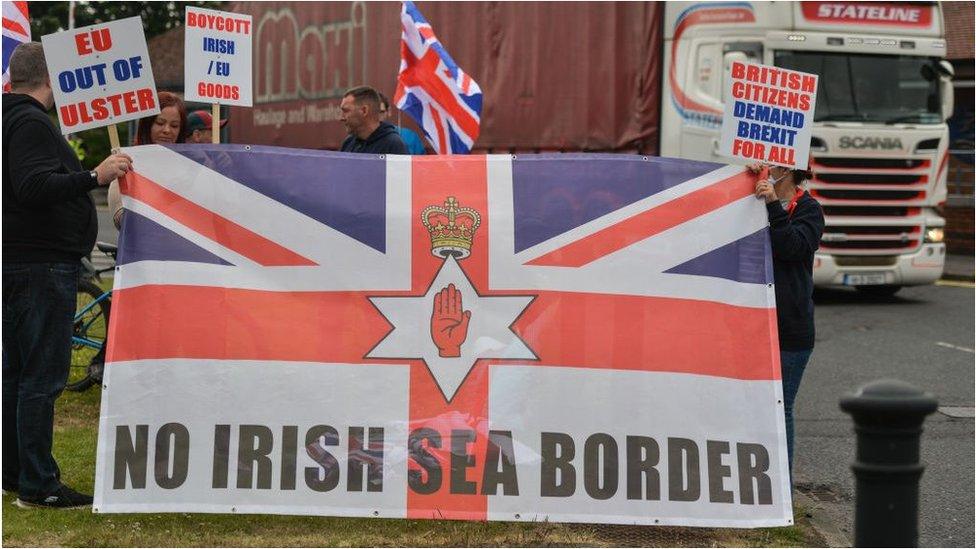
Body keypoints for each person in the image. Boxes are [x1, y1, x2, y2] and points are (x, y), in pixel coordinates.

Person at [2, 42, 132, 509]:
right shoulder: (31, 122)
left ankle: (15, 473)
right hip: (40, 265)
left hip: (17, 261)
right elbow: (34, 186)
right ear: (50, 77)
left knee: (17, 373)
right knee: (41, 375)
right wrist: (94, 176)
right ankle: (39, 485)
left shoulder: (8, 116)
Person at [752, 162, 825, 480]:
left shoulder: (810, 210)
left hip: (790, 329)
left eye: (775, 163)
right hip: (753, 325)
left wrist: (772, 206)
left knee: (779, 409)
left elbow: (791, 248)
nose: (768, 168)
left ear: (791, 169)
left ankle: (782, 490)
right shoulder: (753, 200)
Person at [108, 91, 188, 228]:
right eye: (160, 123)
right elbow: (123, 221)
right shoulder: (126, 164)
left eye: (174, 126)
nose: (167, 130)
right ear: (147, 126)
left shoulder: (190, 167)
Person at [339, 86, 408, 155]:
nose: (341, 118)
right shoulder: (348, 143)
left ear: (364, 111)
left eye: (346, 111)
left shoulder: (393, 145)